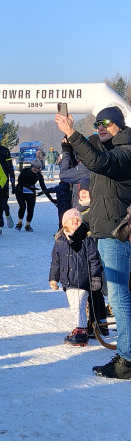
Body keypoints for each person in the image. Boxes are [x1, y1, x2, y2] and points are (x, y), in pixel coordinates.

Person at [56, 105, 131, 379]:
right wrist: (83, 226)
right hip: (105, 229)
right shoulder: (106, 149)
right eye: (98, 122)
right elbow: (102, 200)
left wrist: (72, 133)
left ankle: (127, 360)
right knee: (119, 295)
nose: (101, 126)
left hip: (117, 233)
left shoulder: (124, 152)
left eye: (107, 122)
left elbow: (100, 163)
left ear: (119, 126)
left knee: (120, 297)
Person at [49, 208, 103, 346]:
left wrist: (96, 278)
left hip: (83, 279)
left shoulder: (86, 240)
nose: (75, 221)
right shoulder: (60, 241)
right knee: (74, 307)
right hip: (67, 280)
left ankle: (81, 331)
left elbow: (94, 260)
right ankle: (80, 327)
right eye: (72, 219)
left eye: (78, 219)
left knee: (79, 306)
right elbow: (56, 261)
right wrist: (53, 278)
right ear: (64, 223)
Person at [14, 159, 56, 231]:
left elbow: (44, 188)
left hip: (30, 192)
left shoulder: (39, 175)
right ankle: (19, 223)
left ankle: (28, 225)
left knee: (31, 208)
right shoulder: (25, 171)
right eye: (35, 167)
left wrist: (51, 199)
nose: (36, 170)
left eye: (38, 168)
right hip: (20, 191)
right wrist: (31, 188)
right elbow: (20, 181)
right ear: (31, 166)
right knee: (22, 206)